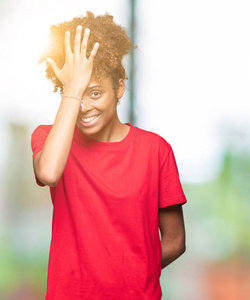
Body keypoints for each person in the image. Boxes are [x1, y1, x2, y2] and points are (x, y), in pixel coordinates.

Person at [31, 11, 186, 300]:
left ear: (119, 88)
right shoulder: (47, 138)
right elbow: (48, 172)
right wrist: (74, 88)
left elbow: (175, 241)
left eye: (95, 93)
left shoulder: (155, 150)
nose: (84, 107)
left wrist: (126, 278)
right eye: (76, 94)